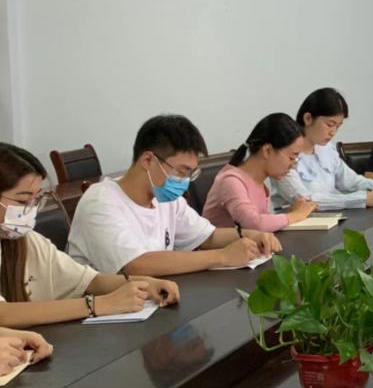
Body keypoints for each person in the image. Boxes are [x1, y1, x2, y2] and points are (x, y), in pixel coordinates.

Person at [68, 115, 282, 276]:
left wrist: (250, 235)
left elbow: (207, 237)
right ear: (148, 160)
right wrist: (222, 257)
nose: (185, 181)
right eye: (181, 171)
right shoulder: (100, 202)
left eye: (190, 173)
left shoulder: (164, 198)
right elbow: (136, 265)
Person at [0, 144, 180, 327]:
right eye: (23, 200)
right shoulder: (100, 199)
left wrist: (144, 284)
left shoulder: (27, 241)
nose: (30, 210)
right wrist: (97, 305)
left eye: (36, 200)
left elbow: (88, 280)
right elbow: (3, 314)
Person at [273, 88, 373, 210]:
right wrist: (362, 199)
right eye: (330, 124)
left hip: (331, 217)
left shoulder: (326, 148)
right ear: (308, 118)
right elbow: (304, 200)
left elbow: (351, 181)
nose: (333, 132)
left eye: (338, 126)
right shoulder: (285, 154)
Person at [203, 113, 317, 231]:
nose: (293, 165)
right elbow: (254, 224)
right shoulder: (231, 181)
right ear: (267, 150)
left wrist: (293, 213)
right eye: (292, 158)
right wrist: (295, 215)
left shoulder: (259, 182)